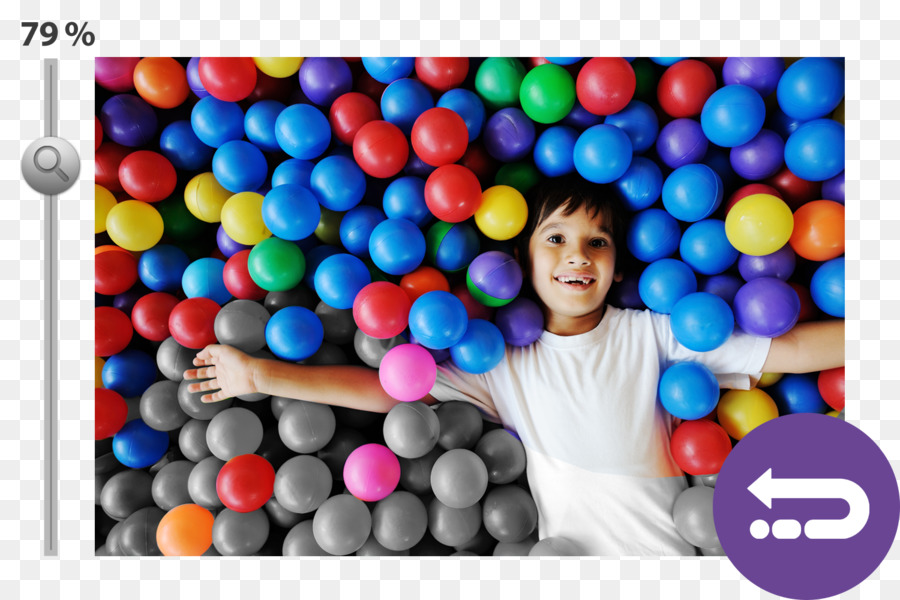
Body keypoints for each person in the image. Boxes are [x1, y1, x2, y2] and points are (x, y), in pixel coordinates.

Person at [184, 174, 844, 556]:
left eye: (597, 243)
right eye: (555, 240)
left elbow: (784, 351)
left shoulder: (657, 335)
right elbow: (390, 392)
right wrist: (260, 375)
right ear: (526, 263)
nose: (577, 256)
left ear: (617, 269)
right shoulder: (503, 361)